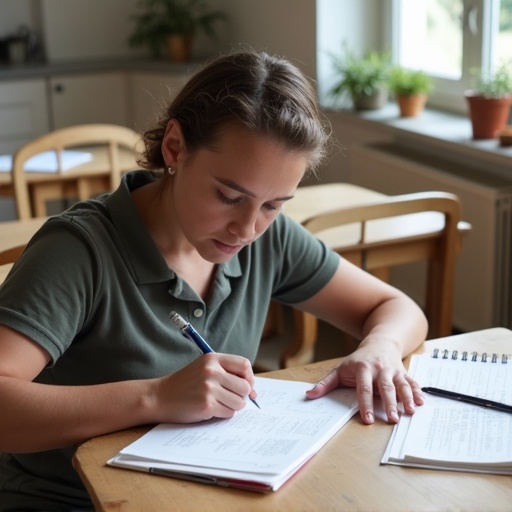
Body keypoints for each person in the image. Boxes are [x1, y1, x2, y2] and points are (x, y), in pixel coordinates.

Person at [0, 49, 427, 511]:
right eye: (228, 196)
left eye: (273, 205)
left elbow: (395, 308)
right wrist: (155, 396)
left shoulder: (270, 238)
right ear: (175, 148)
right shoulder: (79, 250)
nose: (246, 230)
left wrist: (379, 348)